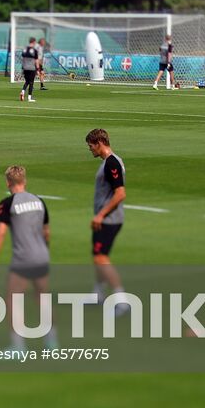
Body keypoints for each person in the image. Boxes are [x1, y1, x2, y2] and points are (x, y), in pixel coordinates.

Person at [0, 165, 56, 350]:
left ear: (7, 182)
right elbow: (47, 232)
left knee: (12, 299)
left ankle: (18, 347)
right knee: (42, 297)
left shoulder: (7, 203)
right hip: (41, 256)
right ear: (24, 181)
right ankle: (51, 342)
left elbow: (1, 232)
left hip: (23, 258)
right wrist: (43, 251)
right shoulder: (39, 201)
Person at [87, 128, 127, 303]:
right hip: (106, 218)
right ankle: (98, 294)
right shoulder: (109, 162)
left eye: (91, 146)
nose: (90, 149)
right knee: (99, 256)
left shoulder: (112, 163)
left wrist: (100, 215)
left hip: (109, 219)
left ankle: (121, 299)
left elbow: (120, 193)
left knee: (100, 257)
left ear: (99, 143)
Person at [19, 37, 39, 103]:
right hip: (31, 68)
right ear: (33, 42)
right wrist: (38, 69)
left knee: (27, 81)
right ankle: (29, 98)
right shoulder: (34, 50)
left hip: (25, 68)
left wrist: (23, 67)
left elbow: (22, 59)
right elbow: (36, 61)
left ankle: (23, 91)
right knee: (31, 82)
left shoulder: (24, 49)